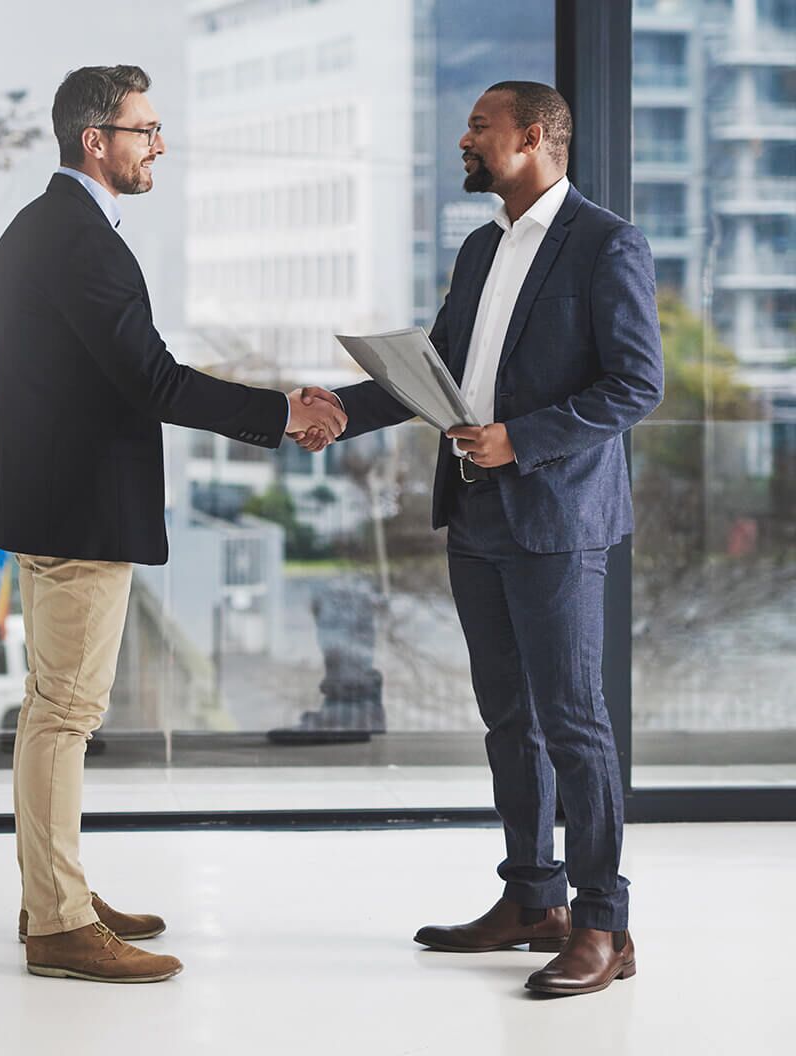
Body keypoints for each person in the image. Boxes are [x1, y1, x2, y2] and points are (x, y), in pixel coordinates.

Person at [0, 64, 346, 984]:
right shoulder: (78, 241)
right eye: (145, 131)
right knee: (64, 714)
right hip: (78, 511)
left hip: (58, 500)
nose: (159, 147)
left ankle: (52, 894)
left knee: (51, 709)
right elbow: (154, 380)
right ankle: (60, 922)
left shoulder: (49, 230)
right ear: (95, 141)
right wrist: (279, 413)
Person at [298, 81, 663, 996]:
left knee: (575, 726)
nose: (465, 139)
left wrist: (521, 439)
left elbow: (636, 385)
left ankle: (603, 925)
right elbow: (441, 372)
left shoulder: (606, 243)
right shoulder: (479, 247)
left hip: (557, 519)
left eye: (480, 128)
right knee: (510, 721)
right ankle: (532, 900)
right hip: (477, 515)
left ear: (532, 137)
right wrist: (342, 409)